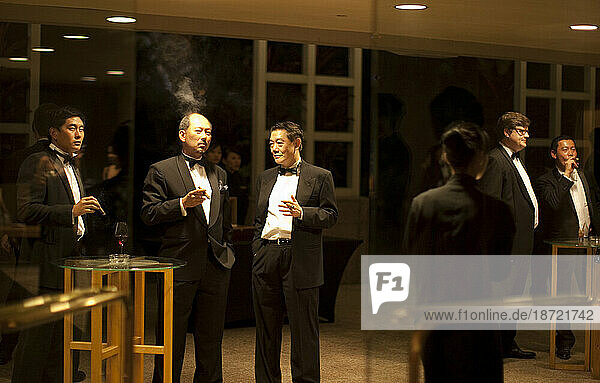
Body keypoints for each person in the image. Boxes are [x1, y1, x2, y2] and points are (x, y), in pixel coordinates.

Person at [404, 122, 514, 383]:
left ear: (446, 157)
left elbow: (413, 264)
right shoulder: (498, 210)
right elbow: (501, 272)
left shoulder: (423, 204)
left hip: (435, 316)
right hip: (480, 319)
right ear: (480, 159)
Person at [12, 106, 103, 383]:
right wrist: (70, 212)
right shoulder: (38, 161)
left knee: (65, 341)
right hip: (46, 262)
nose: (79, 134)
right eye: (72, 128)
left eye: (82, 128)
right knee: (36, 343)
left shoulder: (73, 164)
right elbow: (26, 210)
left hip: (71, 261)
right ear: (54, 132)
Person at [141, 113, 234, 383]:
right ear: (183, 135)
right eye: (198, 131)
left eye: (208, 132)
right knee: (171, 332)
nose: (204, 137)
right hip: (178, 263)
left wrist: (226, 249)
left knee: (211, 335)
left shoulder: (220, 173)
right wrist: (182, 204)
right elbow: (148, 213)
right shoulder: (161, 170)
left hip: (216, 263)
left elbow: (224, 220)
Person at [252, 121, 338, 383]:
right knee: (266, 329)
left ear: (296, 144)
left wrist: (303, 213)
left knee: (303, 331)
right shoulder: (265, 177)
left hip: (299, 257)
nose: (274, 149)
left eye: (280, 143)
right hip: (267, 254)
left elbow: (331, 215)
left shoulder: (320, 176)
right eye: (271, 144)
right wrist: (257, 251)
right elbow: (258, 219)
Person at [0, 103, 58, 366]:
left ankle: (7, 349)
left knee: (21, 290)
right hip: (48, 236)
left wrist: (7, 226)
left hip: (20, 232)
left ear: (35, 128)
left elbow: (5, 195)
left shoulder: (19, 157)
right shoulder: (57, 160)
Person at [532, 135, 600, 360]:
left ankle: (596, 344)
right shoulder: (546, 180)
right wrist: (567, 177)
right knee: (563, 296)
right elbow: (551, 203)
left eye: (572, 148)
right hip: (562, 247)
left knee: (593, 294)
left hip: (588, 245)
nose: (570, 153)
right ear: (554, 155)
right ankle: (565, 341)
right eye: (564, 150)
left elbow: (593, 205)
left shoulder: (585, 176)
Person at [477, 111, 538, 359]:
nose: (526, 136)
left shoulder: (515, 159)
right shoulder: (496, 160)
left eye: (526, 131)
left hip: (520, 243)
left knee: (513, 296)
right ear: (507, 132)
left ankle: (507, 343)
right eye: (521, 131)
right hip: (507, 246)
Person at [221, 146, 249, 225]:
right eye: (233, 158)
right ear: (224, 161)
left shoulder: (240, 177)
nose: (237, 161)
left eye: (239, 158)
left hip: (240, 216)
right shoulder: (222, 177)